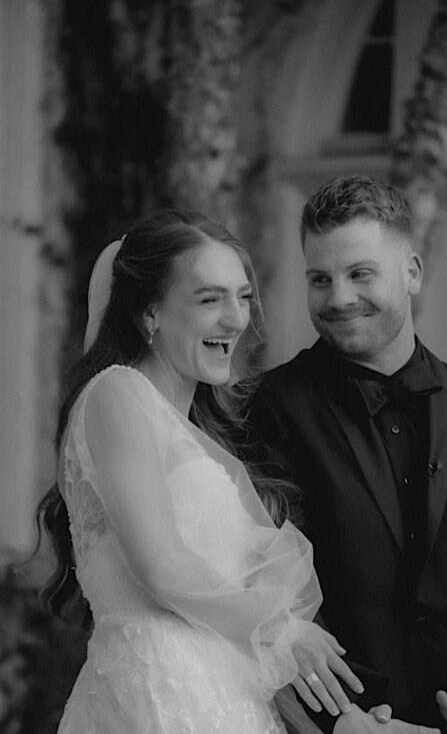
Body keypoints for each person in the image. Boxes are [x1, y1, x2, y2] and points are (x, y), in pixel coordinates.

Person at [36, 211, 364, 733]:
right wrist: (282, 629)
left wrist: (348, 723)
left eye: (242, 296)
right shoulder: (117, 393)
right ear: (150, 314)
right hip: (154, 694)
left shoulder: (199, 440)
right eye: (210, 299)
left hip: (226, 698)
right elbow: (162, 566)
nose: (237, 319)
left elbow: (236, 606)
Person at [248, 176, 447, 734]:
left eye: (360, 273)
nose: (339, 297)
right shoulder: (263, 411)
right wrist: (343, 721)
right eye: (320, 279)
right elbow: (254, 595)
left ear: (412, 272)